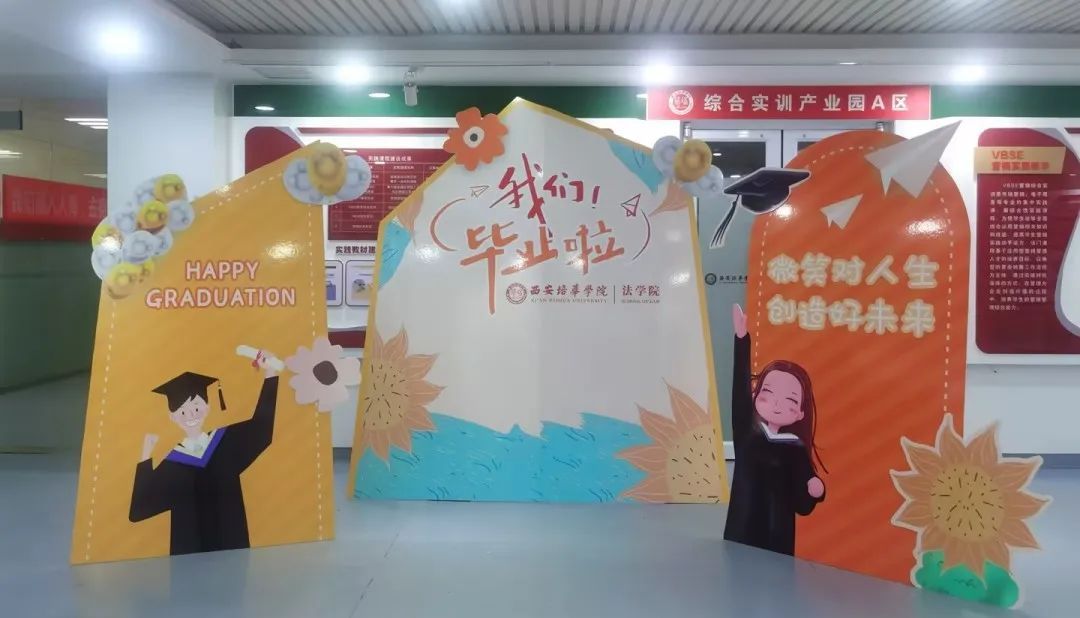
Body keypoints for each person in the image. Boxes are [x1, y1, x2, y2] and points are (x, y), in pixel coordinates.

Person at [129, 353, 280, 555]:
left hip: (232, 548)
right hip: (189, 556)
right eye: (183, 412)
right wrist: (146, 455)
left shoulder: (225, 441)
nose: (191, 415)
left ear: (207, 407)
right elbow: (140, 509)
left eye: (197, 407)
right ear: (172, 417)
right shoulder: (173, 461)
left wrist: (271, 373)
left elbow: (261, 429)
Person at [723, 304, 826, 555]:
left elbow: (802, 505)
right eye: (768, 393)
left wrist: (814, 489)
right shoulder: (747, 433)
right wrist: (741, 340)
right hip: (741, 533)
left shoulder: (795, 449)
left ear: (800, 412)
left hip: (777, 541)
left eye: (790, 400)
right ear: (756, 395)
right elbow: (739, 391)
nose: (777, 405)